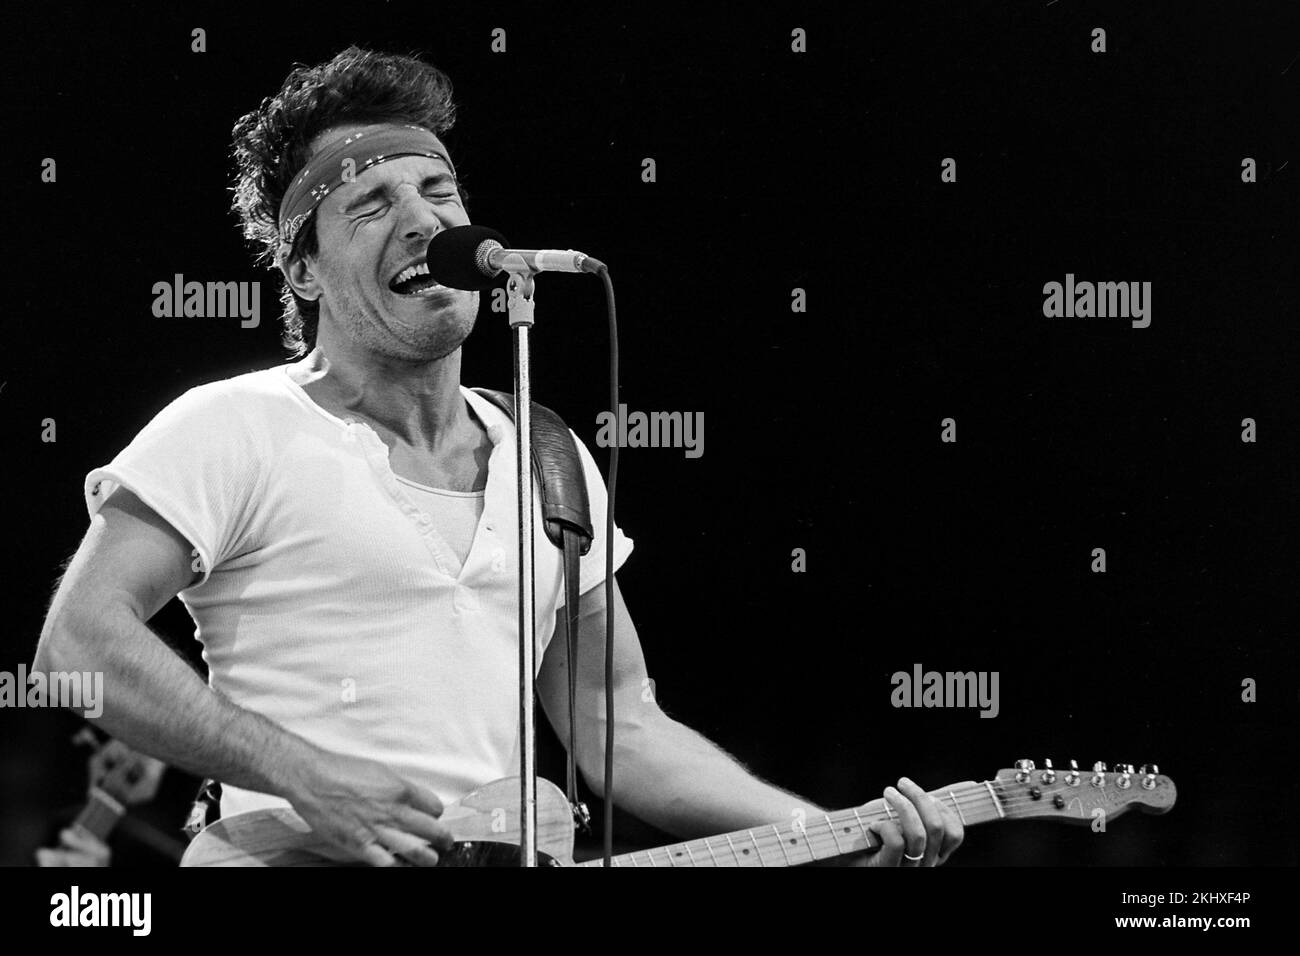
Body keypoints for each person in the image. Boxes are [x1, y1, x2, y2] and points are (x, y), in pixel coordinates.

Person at [33, 46, 965, 867]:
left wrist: (828, 832)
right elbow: (77, 646)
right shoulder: (235, 424)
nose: (421, 221)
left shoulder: (552, 455)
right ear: (303, 272)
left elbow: (620, 726)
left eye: (437, 192)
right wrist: (302, 775)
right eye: (368, 206)